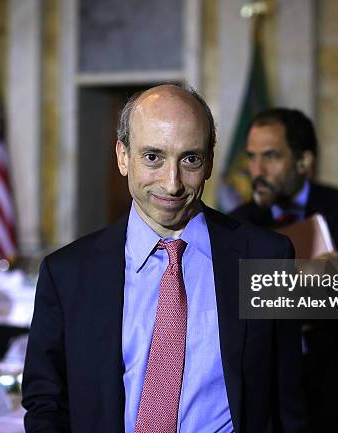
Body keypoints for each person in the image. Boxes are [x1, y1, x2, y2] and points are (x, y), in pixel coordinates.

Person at [22, 85, 307, 433]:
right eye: (153, 157)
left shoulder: (266, 257)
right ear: (123, 156)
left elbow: (288, 401)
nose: (172, 184)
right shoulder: (67, 274)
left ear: (210, 162)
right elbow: (46, 403)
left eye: (190, 159)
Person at [230, 108, 338, 433]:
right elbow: (234, 306)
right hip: (268, 396)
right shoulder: (236, 223)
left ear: (304, 162)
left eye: (271, 156)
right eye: (251, 157)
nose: (256, 170)